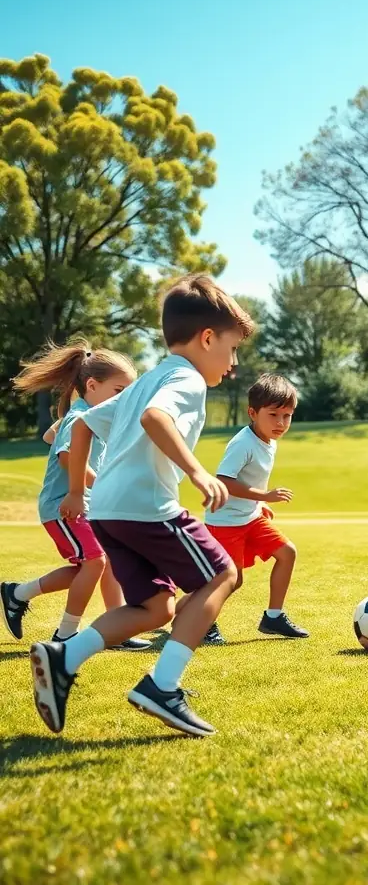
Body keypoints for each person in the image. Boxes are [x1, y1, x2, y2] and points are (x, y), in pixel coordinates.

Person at [29, 274, 254, 737]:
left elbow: (82, 425)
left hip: (107, 511)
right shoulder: (187, 380)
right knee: (223, 574)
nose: (232, 364)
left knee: (155, 607)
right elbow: (157, 419)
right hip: (145, 507)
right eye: (231, 349)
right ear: (207, 338)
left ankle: (63, 656)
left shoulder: (147, 378)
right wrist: (196, 472)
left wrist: (77, 492)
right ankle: (162, 685)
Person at [1, 341, 149, 651]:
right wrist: (94, 487)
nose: (124, 400)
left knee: (103, 563)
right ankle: (65, 634)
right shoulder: (81, 418)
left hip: (81, 504)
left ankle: (20, 595)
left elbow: (50, 436)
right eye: (119, 391)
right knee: (95, 562)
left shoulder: (87, 415)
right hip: (65, 506)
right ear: (92, 385)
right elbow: (68, 457)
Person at [197, 372, 307, 640]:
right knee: (230, 580)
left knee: (287, 553)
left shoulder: (269, 440)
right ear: (252, 413)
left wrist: (259, 504)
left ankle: (273, 617)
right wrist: (265, 495)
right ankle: (199, 622)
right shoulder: (243, 443)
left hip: (250, 518)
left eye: (287, 416)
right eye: (273, 415)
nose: (281, 423)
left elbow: (249, 479)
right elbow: (223, 481)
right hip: (225, 523)